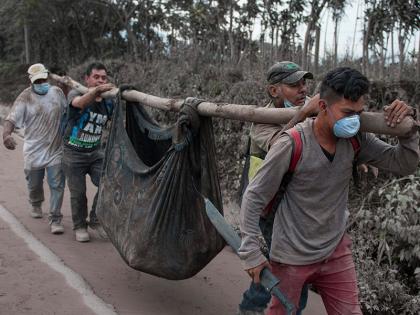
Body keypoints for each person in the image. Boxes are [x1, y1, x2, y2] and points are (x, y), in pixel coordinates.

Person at [239, 67, 419, 314]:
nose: (354, 120)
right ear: (322, 106)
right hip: (291, 253)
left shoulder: (356, 139)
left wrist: (408, 131)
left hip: (335, 249)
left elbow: (403, 163)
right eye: (347, 113)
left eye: (359, 113)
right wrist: (250, 251)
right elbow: (254, 195)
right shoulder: (292, 143)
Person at [239, 61, 315, 315]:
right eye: (294, 85)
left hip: (295, 206)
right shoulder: (261, 123)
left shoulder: (309, 108)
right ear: (274, 91)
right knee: (285, 270)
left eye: (304, 84)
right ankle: (251, 309)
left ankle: (255, 308)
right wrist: (304, 115)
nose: (303, 89)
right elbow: (283, 144)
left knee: (283, 267)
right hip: (267, 206)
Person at [2, 63, 66, 234]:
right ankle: (36, 202)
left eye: (43, 79)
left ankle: (55, 219)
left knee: (57, 184)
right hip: (34, 149)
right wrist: (6, 135)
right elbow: (11, 118)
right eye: (37, 81)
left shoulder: (57, 93)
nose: (41, 82)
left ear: (47, 77)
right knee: (35, 184)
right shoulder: (25, 97)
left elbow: (68, 112)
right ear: (31, 81)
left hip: (55, 149)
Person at [62, 62, 115, 242]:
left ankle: (95, 218)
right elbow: (78, 104)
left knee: (109, 183)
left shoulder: (109, 101)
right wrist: (95, 92)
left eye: (103, 78)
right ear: (87, 78)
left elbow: (117, 122)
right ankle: (80, 226)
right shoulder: (76, 92)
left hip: (95, 153)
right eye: (96, 77)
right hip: (73, 153)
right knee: (78, 193)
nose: (100, 80)